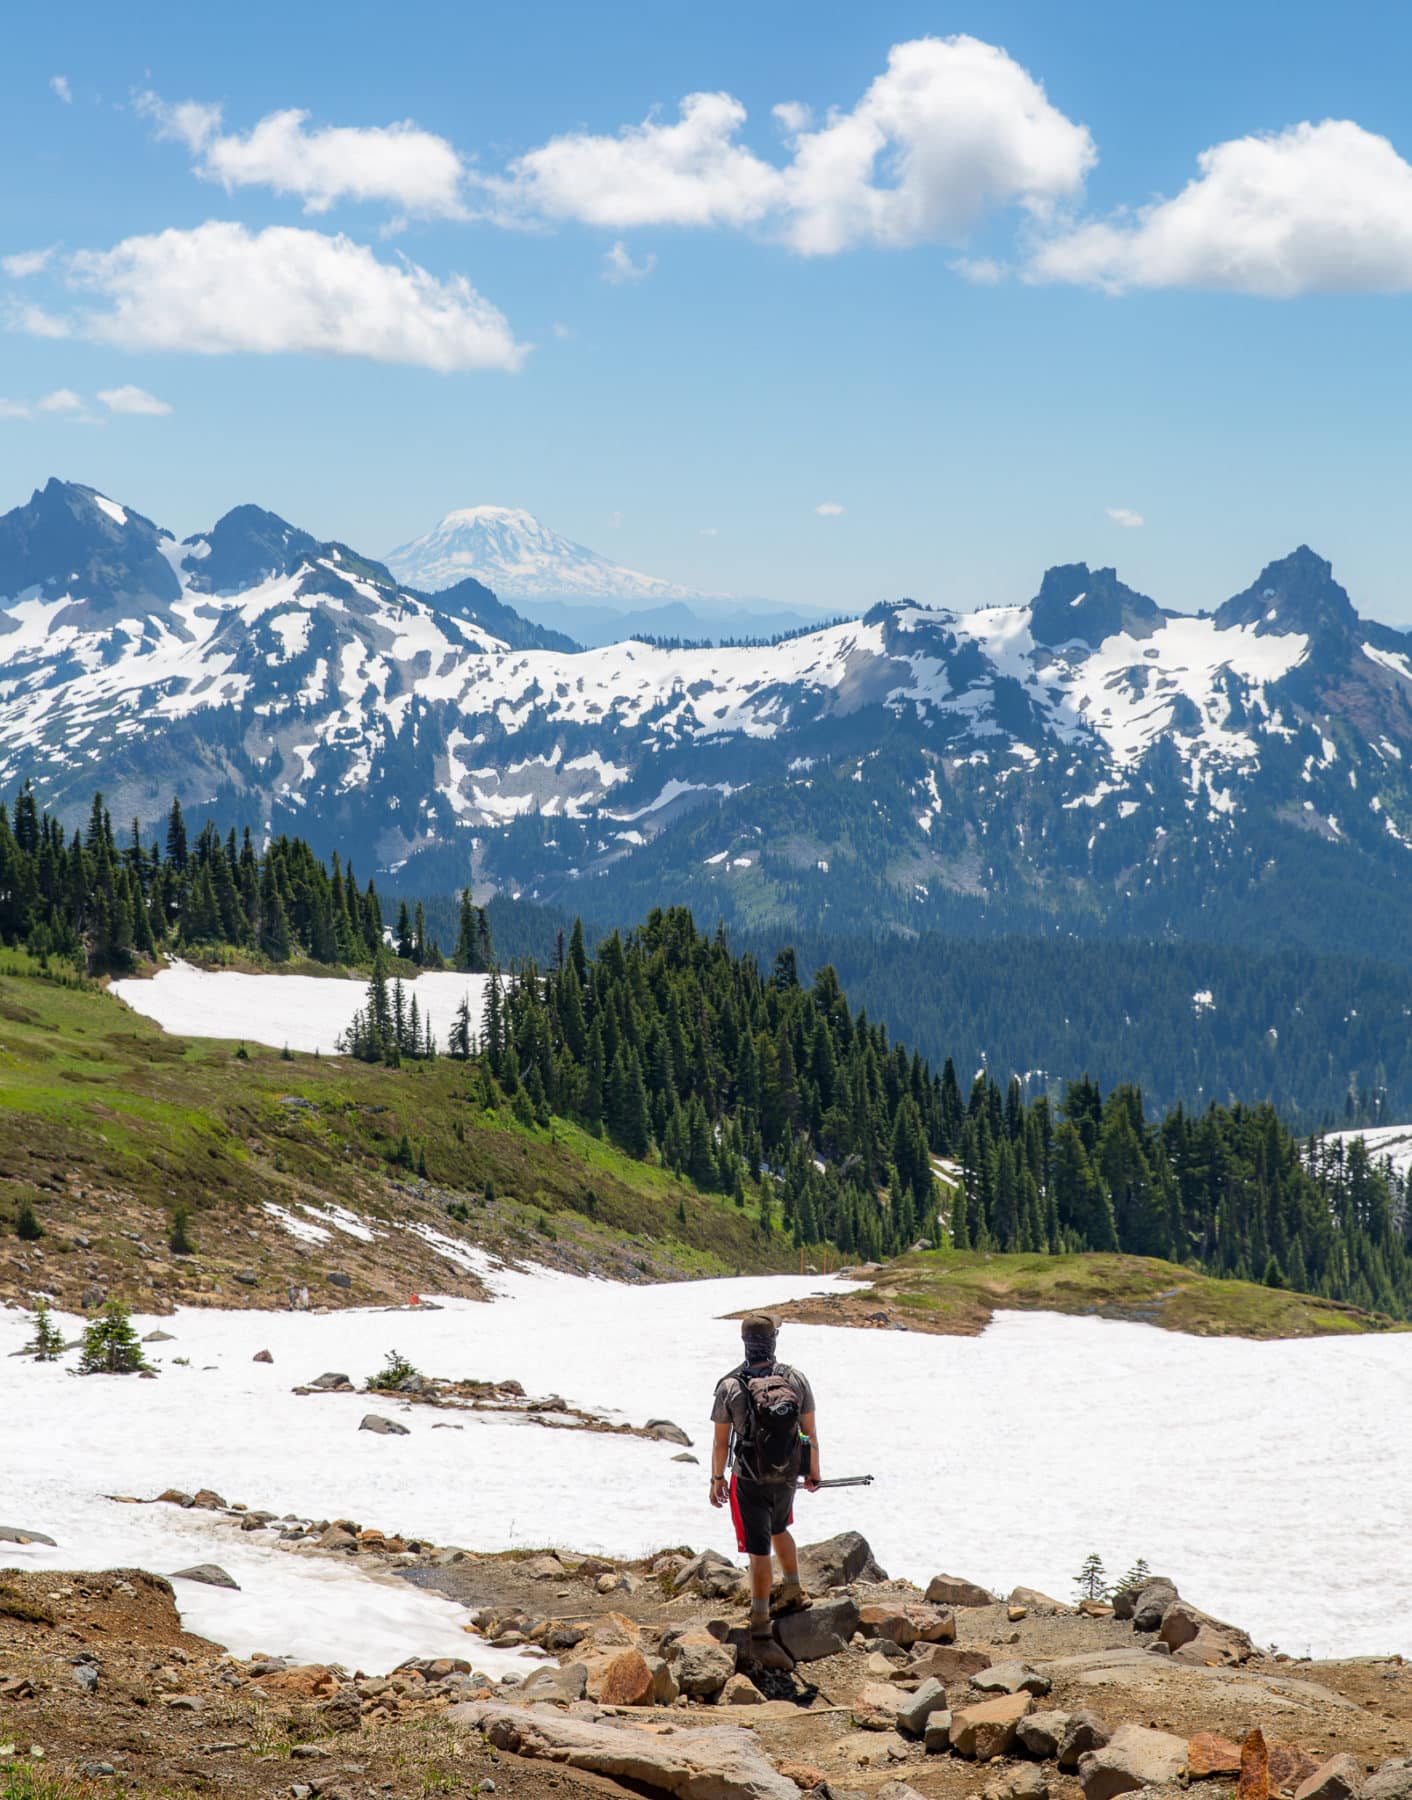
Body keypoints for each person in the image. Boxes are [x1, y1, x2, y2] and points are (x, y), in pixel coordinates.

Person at [709, 1311, 821, 1649]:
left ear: (745, 1343)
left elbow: (720, 1442)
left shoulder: (730, 1386)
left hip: (748, 1478)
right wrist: (813, 1472)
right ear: (773, 1342)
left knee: (758, 1550)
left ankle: (760, 1621)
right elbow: (809, 1432)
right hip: (787, 1474)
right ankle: (792, 1589)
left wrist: (716, 1477)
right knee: (779, 1528)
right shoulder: (795, 1379)